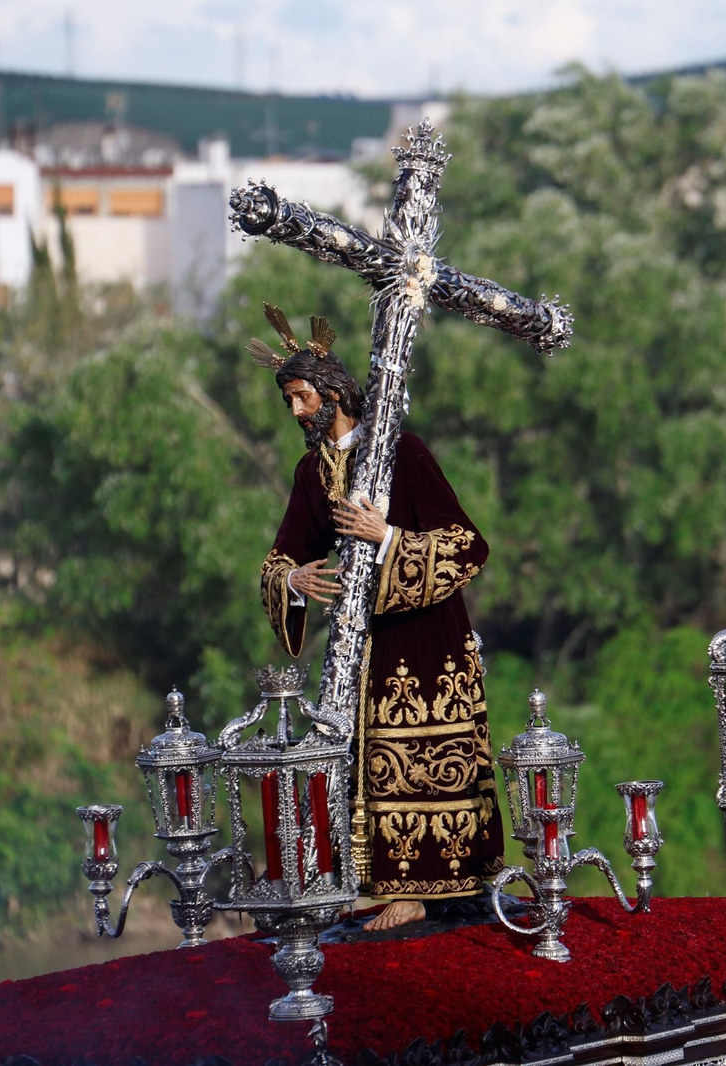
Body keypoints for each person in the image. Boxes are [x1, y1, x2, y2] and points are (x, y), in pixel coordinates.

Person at [253, 304, 504, 932]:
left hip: (425, 638)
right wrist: (294, 578)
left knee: (421, 752)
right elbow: (285, 551)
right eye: (288, 401)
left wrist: (387, 536)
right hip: (360, 645)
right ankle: (375, 882)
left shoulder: (402, 453)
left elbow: (469, 544)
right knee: (361, 758)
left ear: (334, 392)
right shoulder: (311, 472)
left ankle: (424, 888)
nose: (296, 413)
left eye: (303, 397)